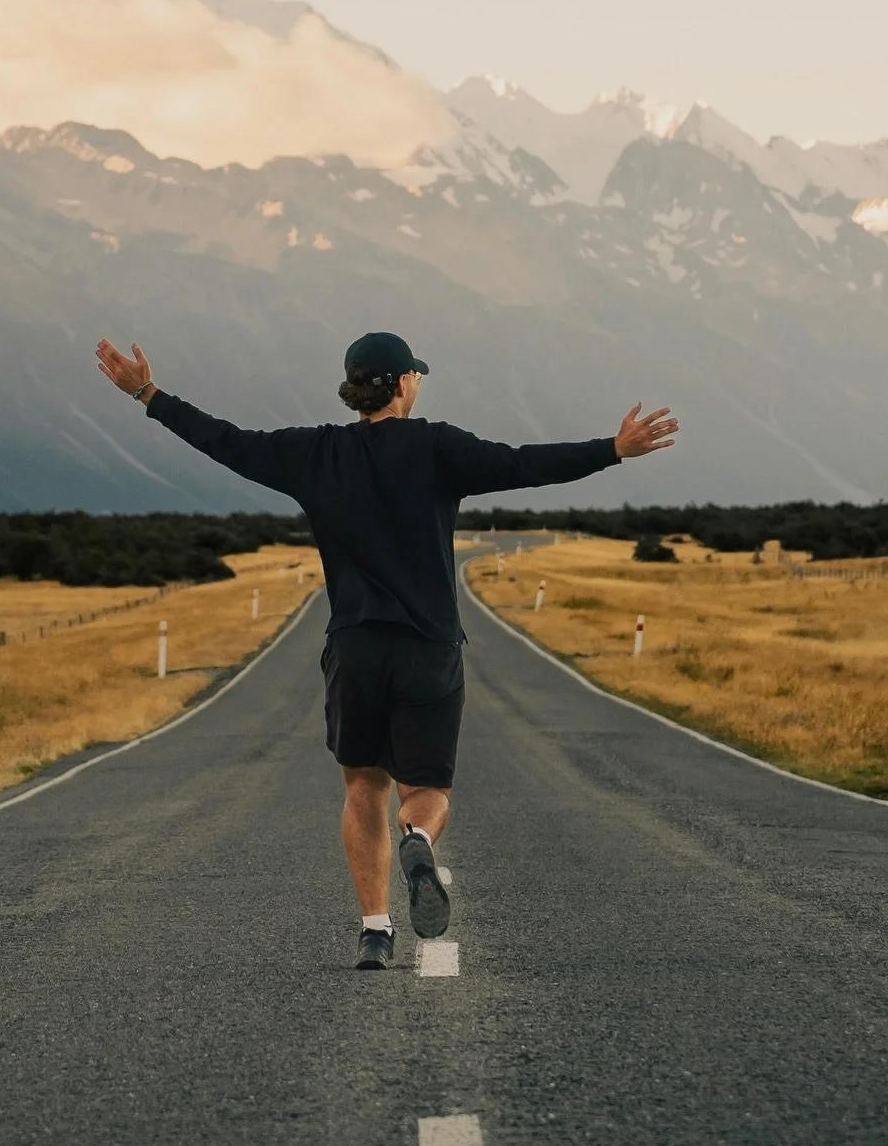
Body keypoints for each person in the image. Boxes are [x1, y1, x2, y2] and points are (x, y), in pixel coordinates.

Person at [96, 330, 678, 968]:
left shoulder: (311, 452)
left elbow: (224, 440)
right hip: (428, 646)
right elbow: (521, 463)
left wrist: (147, 392)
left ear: (354, 387)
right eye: (415, 377)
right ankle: (419, 838)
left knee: (362, 785)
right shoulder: (436, 445)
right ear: (403, 384)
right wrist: (612, 450)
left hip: (355, 646)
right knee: (425, 789)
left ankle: (376, 931)